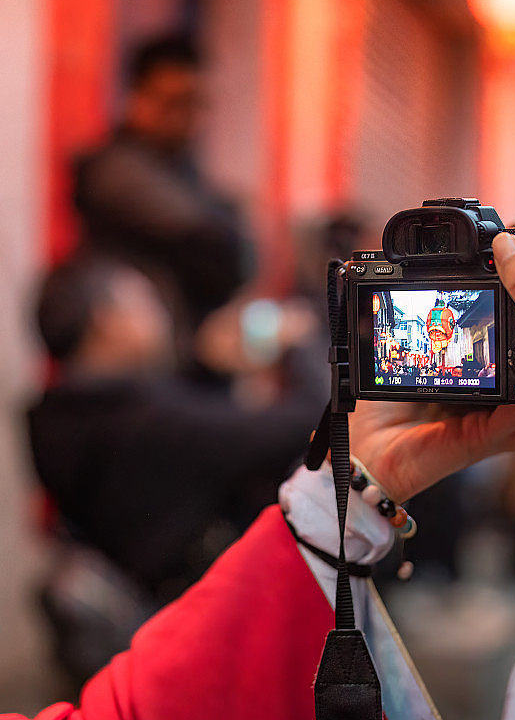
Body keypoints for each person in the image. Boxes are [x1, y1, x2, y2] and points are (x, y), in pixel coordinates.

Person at [1, 220, 515, 720]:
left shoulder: (65, 413)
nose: (158, 309)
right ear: (100, 321)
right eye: (137, 298)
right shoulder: (131, 411)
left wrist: (361, 475)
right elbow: (241, 438)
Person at [28, 257, 322, 602]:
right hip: (213, 604)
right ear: (107, 322)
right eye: (145, 300)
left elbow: (180, 443)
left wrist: (209, 366)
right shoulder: (138, 416)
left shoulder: (63, 414)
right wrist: (299, 342)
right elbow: (299, 423)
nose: (160, 312)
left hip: (160, 600)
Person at [73, 34, 254, 330]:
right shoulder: (117, 169)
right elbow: (210, 235)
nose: (188, 116)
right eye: (175, 102)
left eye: (197, 103)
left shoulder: (178, 166)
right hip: (135, 349)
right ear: (137, 98)